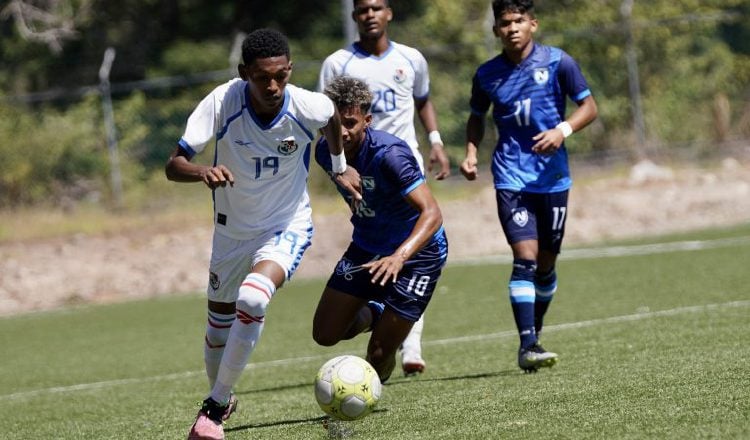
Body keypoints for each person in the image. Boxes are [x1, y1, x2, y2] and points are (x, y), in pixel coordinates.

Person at [165, 28, 361, 440]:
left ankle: (214, 409)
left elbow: (331, 120)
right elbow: (174, 163)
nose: (272, 86)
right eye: (261, 77)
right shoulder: (222, 102)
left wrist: (340, 166)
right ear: (244, 73)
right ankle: (223, 394)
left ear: (289, 70)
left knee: (254, 296)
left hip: (285, 225)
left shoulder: (309, 105)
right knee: (217, 331)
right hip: (232, 234)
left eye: (280, 76)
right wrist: (203, 171)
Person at [460, 0, 598, 372]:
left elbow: (589, 107)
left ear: (533, 24)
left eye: (519, 21)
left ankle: (534, 331)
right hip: (511, 176)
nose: (512, 28)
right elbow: (476, 117)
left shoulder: (558, 62)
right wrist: (472, 152)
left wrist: (562, 130)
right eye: (505, 23)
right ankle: (527, 344)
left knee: (547, 264)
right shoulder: (487, 74)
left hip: (552, 177)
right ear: (496, 30)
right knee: (525, 259)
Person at [318, 0, 450, 376]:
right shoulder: (325, 151)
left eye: (350, 123)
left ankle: (394, 329)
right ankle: (378, 308)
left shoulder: (393, 155)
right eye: (334, 123)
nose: (341, 131)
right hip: (367, 243)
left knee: (378, 357)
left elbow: (433, 213)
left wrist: (399, 256)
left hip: (416, 251)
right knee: (326, 334)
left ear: (366, 120)